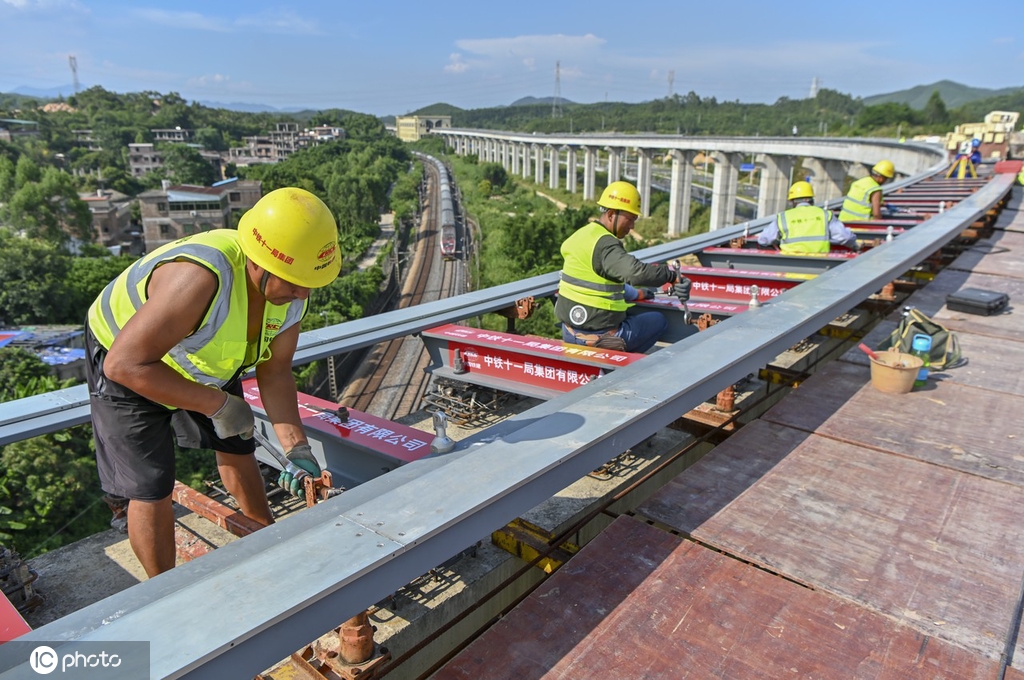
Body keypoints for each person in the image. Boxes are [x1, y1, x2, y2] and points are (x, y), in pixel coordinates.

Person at [84, 187, 341, 577]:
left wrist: (296, 446)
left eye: (308, 282)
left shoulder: (291, 291)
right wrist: (216, 404)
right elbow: (125, 365)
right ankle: (167, 590)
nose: (302, 293)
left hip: (201, 361)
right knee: (151, 485)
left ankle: (265, 539)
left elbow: (275, 371)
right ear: (259, 263)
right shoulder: (201, 278)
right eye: (292, 282)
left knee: (238, 444)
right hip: (127, 360)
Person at [555, 181, 690, 353]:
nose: (632, 226)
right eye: (630, 219)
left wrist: (638, 294)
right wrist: (670, 276)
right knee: (658, 320)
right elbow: (635, 273)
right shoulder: (606, 244)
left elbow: (599, 281)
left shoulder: (581, 235)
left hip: (569, 333)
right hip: (601, 340)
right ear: (612, 214)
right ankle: (619, 362)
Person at [758, 181, 859, 253]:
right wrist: (855, 245)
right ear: (811, 199)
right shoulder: (825, 215)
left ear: (792, 201)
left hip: (789, 270)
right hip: (820, 269)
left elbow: (763, 240)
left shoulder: (783, 217)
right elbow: (846, 237)